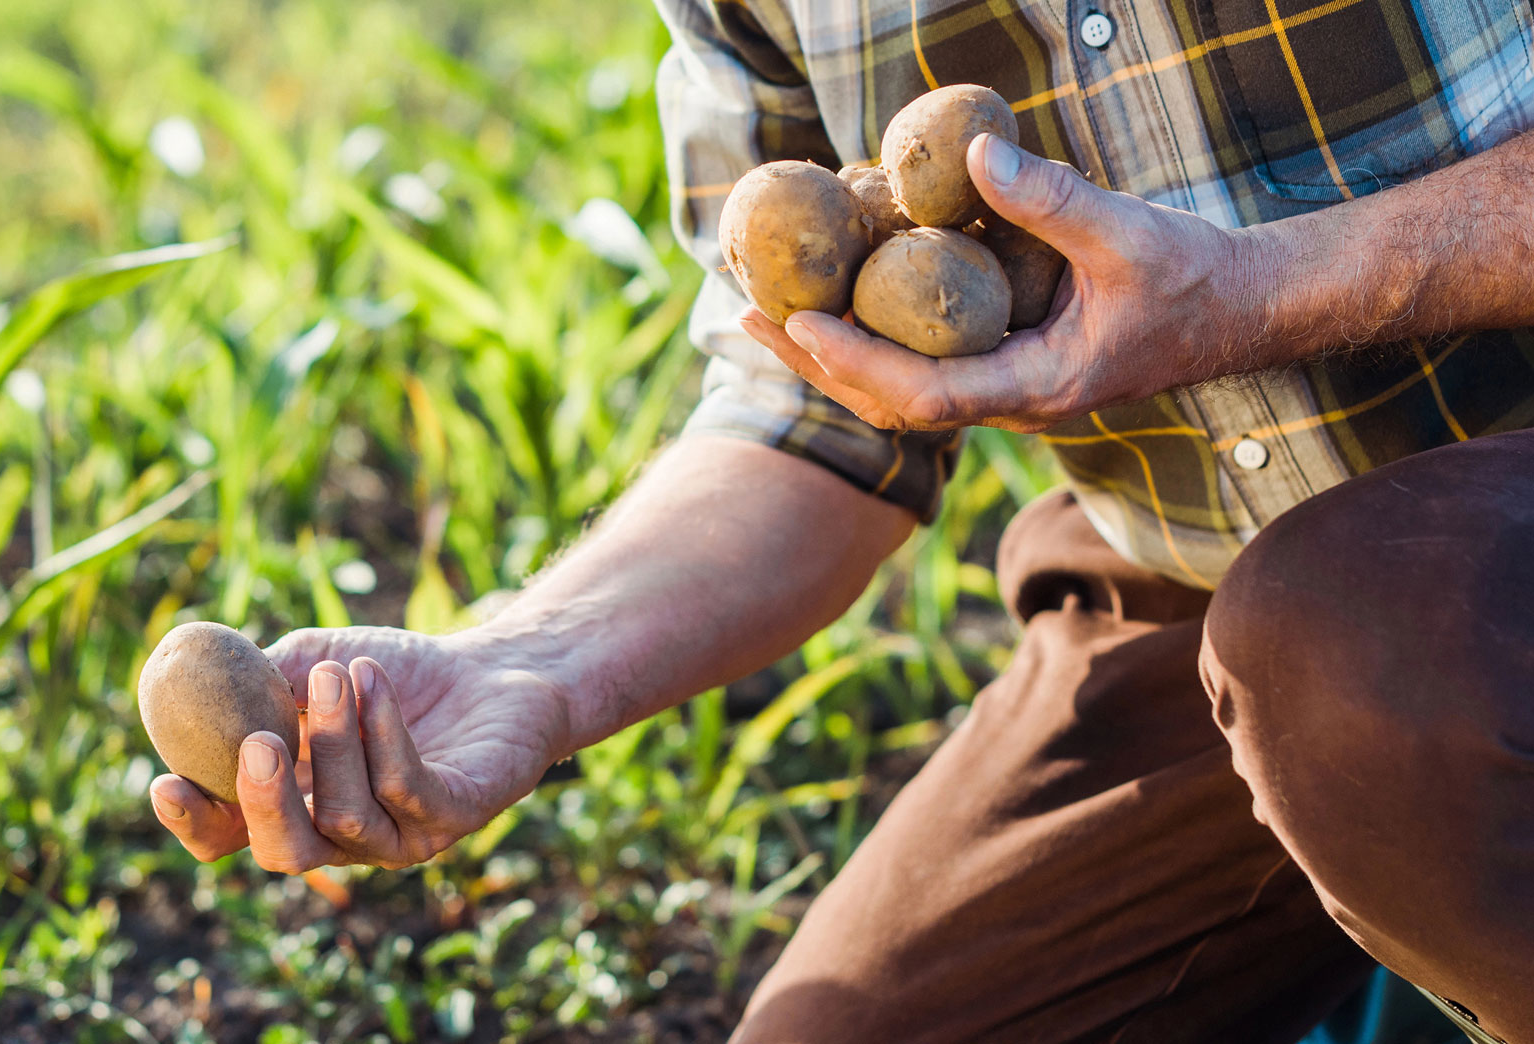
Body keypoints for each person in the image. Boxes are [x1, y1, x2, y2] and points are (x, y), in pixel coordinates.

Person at [148, 1, 1534, 1040]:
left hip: (1423, 553)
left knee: (1362, 654)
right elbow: (809, 404)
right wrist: (529, 663)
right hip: (1198, 575)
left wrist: (1265, 287)